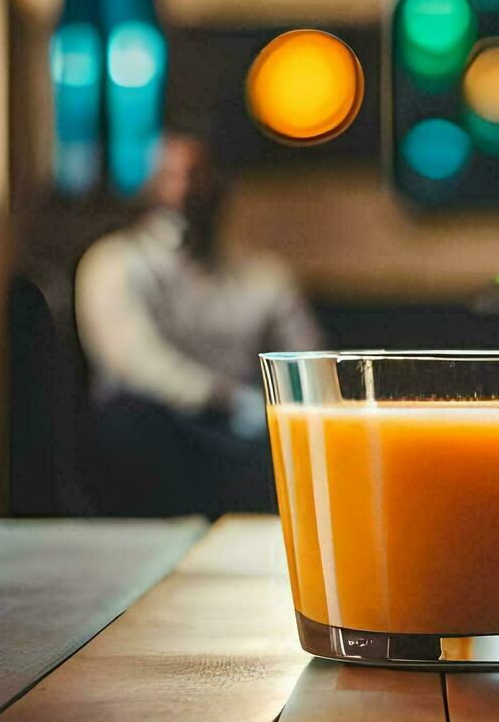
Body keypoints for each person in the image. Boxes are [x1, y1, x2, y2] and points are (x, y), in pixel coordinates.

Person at [75, 133, 322, 515]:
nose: (186, 189)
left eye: (197, 175)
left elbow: (308, 363)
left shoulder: (264, 276)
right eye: (171, 175)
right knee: (128, 423)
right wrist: (225, 399)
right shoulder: (115, 263)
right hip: (159, 434)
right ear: (150, 186)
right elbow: (136, 361)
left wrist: (281, 411)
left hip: (243, 441)